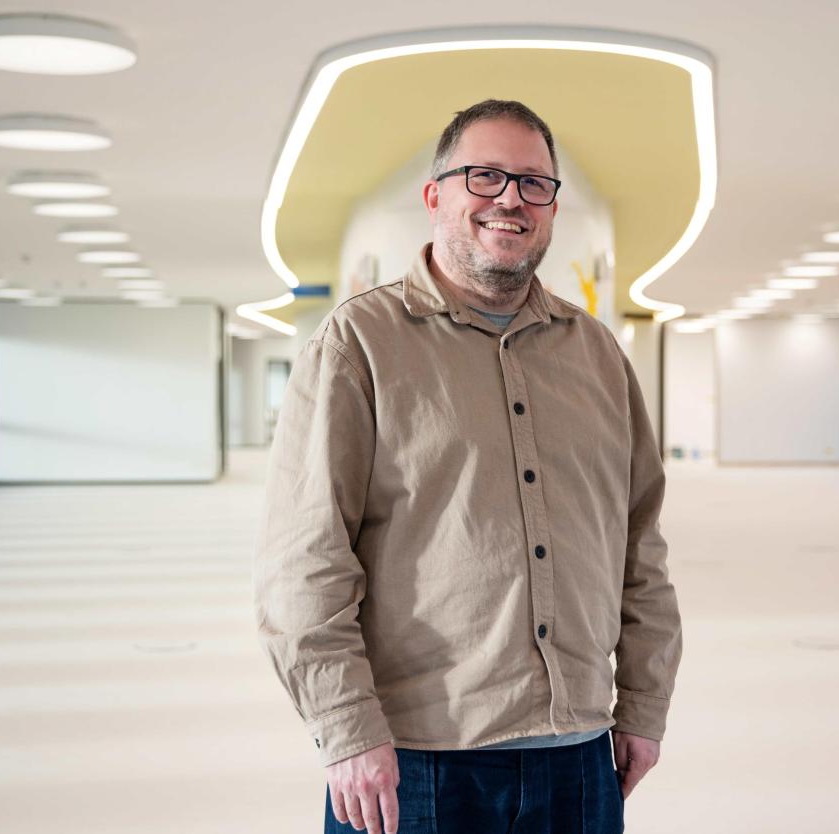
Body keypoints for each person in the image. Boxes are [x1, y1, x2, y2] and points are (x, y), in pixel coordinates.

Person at [253, 99, 682, 834]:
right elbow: (304, 557)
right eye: (484, 176)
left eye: (533, 183)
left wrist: (643, 705)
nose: (510, 198)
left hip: (578, 756)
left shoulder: (600, 356)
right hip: (415, 762)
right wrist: (345, 725)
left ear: (551, 207)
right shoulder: (359, 343)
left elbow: (640, 546)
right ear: (435, 197)